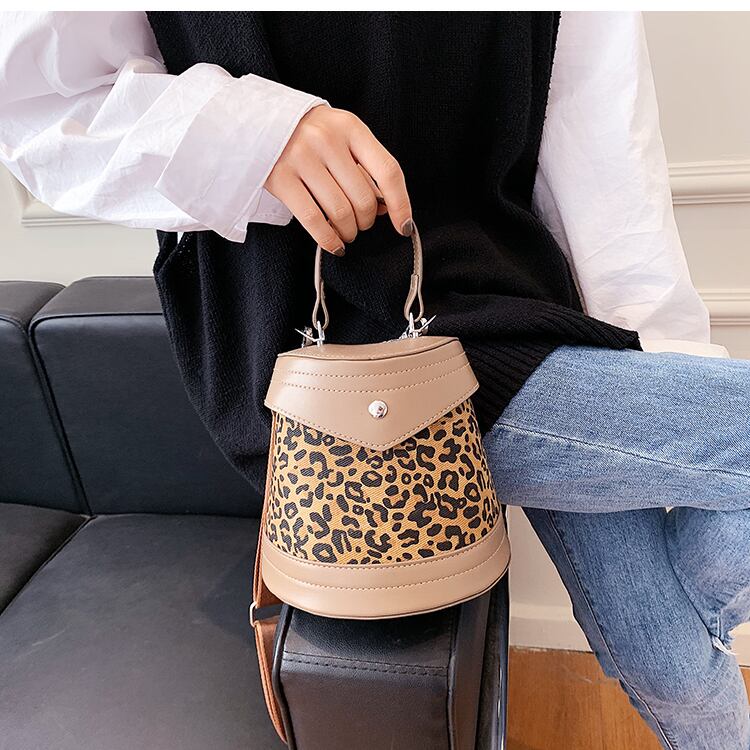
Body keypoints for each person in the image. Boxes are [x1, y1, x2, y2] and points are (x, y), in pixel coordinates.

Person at [0, 11, 748, 749]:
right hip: (319, 351)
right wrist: (250, 131)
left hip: (526, 304)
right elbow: (37, 103)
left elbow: (602, 147)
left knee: (670, 660)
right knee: (672, 641)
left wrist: (658, 355)